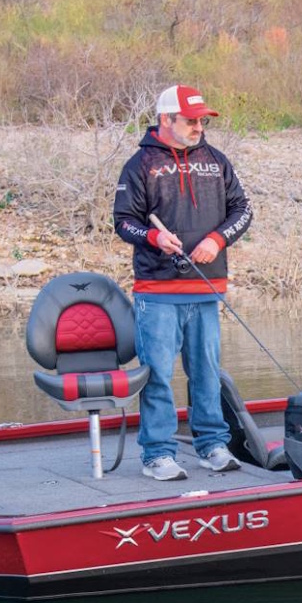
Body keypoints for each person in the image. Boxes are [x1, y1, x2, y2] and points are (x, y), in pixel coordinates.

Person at [114, 85, 253, 480]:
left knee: (207, 372)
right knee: (157, 375)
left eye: (202, 120)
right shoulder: (139, 165)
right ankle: (157, 455)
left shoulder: (217, 161)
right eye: (190, 120)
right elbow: (123, 222)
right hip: (157, 292)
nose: (198, 127)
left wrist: (217, 240)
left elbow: (243, 210)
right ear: (166, 119)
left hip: (207, 289)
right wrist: (154, 237)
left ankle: (212, 445)